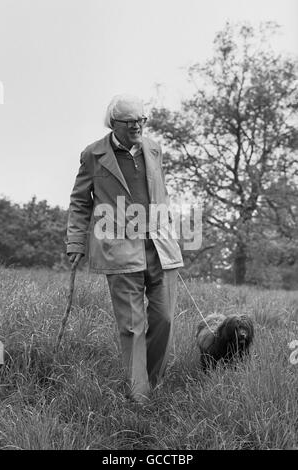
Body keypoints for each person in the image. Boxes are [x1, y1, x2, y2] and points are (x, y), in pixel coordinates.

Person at [67, 94, 183, 404]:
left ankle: (152, 382)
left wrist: (168, 224)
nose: (137, 126)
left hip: (159, 245)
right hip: (119, 248)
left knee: (165, 319)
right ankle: (139, 396)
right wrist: (75, 242)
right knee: (132, 327)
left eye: (142, 120)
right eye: (130, 122)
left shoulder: (154, 148)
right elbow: (80, 202)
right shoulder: (93, 154)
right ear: (114, 123)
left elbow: (161, 191)